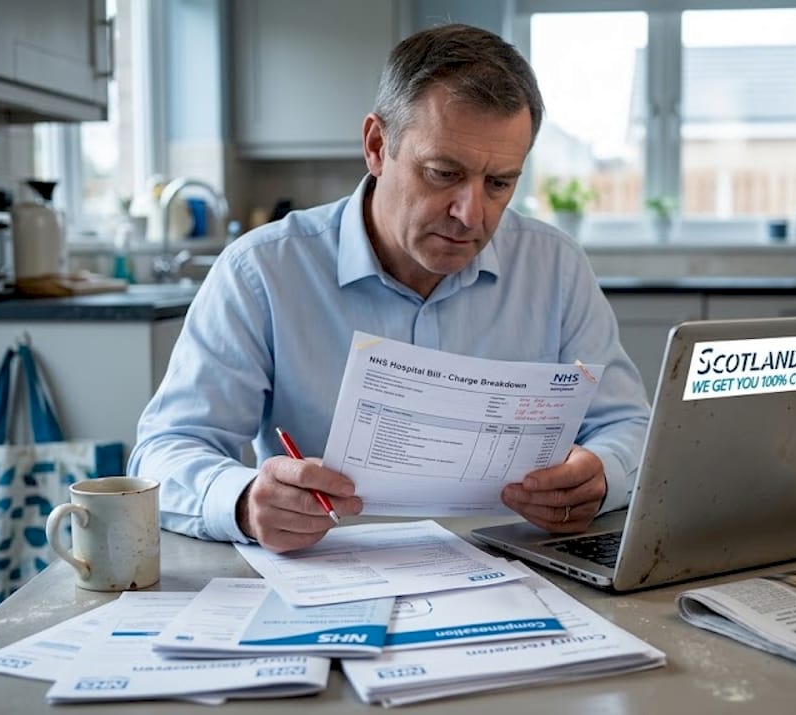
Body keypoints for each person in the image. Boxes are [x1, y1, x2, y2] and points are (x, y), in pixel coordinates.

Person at [128, 24, 650, 554]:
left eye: (499, 184)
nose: (471, 214)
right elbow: (164, 451)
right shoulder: (262, 271)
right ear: (377, 147)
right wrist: (243, 500)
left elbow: (628, 424)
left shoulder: (555, 267)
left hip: (516, 569)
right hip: (330, 576)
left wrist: (602, 475)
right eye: (444, 173)